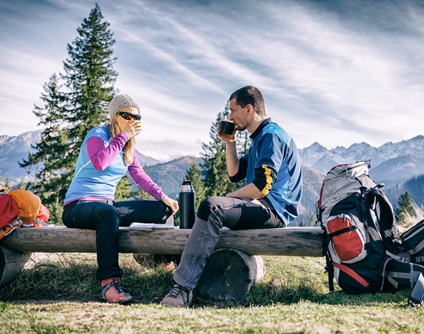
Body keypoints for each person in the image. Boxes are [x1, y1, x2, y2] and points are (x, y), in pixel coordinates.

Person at [160, 86, 303, 307]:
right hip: (262, 204)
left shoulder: (271, 137)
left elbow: (262, 186)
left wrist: (229, 199)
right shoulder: (260, 138)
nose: (230, 117)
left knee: (213, 207)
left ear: (248, 109)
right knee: (215, 207)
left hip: (274, 209)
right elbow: (236, 173)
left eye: (232, 111)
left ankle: (182, 288)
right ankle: (179, 267)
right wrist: (230, 141)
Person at [62, 94, 179, 304]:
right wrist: (122, 137)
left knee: (162, 210)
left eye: (137, 117)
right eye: (127, 115)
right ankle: (109, 283)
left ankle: (166, 265)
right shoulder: (97, 135)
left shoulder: (128, 146)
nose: (132, 120)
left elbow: (139, 175)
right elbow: (99, 163)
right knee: (107, 212)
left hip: (107, 207)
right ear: (115, 115)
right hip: (78, 207)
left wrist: (163, 196)